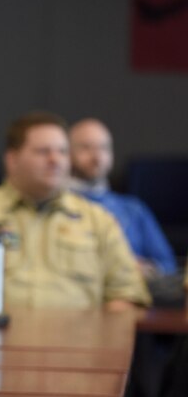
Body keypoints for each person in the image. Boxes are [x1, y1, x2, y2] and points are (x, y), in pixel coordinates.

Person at [0, 110, 150, 310]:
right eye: (43, 151)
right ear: (12, 159)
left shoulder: (99, 221)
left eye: (63, 151)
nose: (55, 160)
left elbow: (127, 296)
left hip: (80, 355)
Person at [68, 117, 177, 278]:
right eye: (86, 147)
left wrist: (149, 269)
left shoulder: (132, 209)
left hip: (132, 293)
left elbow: (168, 264)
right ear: (66, 152)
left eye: (103, 148)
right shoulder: (55, 206)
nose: (96, 156)